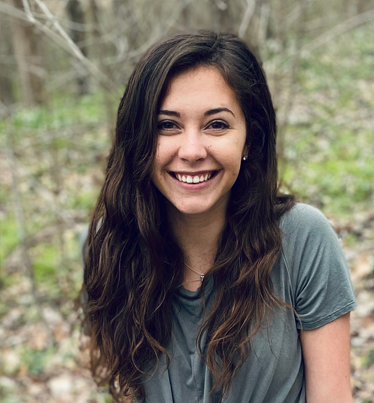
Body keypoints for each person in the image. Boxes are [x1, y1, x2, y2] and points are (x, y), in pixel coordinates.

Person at [82, 31, 357, 403]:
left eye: (217, 124)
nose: (192, 150)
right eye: (167, 125)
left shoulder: (303, 239)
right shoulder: (111, 245)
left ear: (250, 139)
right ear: (139, 139)